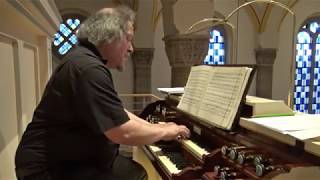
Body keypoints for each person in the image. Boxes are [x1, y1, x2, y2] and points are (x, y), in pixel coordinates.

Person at [15, 5, 190, 180]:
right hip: (48, 168)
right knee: (134, 175)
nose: (131, 49)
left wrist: (155, 127)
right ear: (108, 38)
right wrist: (167, 132)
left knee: (134, 172)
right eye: (128, 39)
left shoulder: (85, 60)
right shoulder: (88, 68)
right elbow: (123, 132)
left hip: (68, 161)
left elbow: (118, 114)